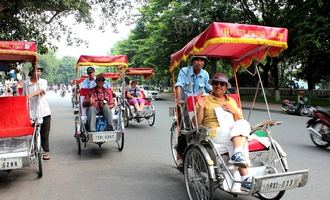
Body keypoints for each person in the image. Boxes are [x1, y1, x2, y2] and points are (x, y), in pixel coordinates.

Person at [192, 72, 252, 191]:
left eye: (222, 84)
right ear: (212, 85)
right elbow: (196, 124)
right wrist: (201, 108)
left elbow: (240, 121)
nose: (218, 86)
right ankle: (244, 176)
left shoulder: (231, 101)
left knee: (244, 124)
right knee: (237, 138)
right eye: (215, 83)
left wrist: (234, 111)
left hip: (232, 131)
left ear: (226, 87)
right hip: (213, 133)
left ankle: (237, 154)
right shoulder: (205, 100)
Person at [174, 55, 212, 167]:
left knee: (204, 127)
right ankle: (179, 156)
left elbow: (208, 88)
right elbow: (179, 85)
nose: (199, 62)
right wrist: (179, 99)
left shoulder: (205, 74)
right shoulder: (184, 71)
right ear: (192, 61)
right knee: (185, 129)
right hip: (186, 104)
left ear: (204, 63)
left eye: (202, 61)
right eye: (197, 60)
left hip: (201, 103)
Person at [23, 65, 52, 160]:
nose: (38, 73)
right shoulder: (26, 83)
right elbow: (24, 96)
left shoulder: (43, 81)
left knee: (45, 132)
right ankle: (32, 149)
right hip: (31, 112)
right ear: (31, 72)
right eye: (36, 71)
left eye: (40, 71)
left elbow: (42, 91)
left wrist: (30, 95)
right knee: (31, 133)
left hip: (44, 111)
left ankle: (46, 151)